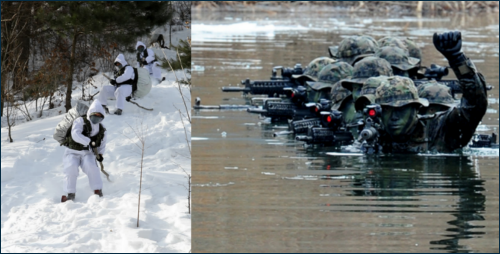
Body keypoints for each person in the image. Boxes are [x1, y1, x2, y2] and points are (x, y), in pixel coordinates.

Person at [373, 30, 488, 153]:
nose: (394, 118)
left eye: (401, 109)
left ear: (417, 109)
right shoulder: (374, 136)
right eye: (387, 110)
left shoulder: (441, 129)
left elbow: (475, 106)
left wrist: (457, 59)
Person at [61, 99, 107, 202]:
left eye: (99, 118)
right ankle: (70, 193)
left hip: (88, 153)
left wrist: (100, 154)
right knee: (71, 167)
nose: (96, 120)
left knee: (92, 166)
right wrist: (88, 141)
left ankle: (97, 190)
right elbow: (75, 134)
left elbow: (102, 142)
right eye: (94, 116)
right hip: (72, 151)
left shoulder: (101, 128)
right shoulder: (80, 121)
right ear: (90, 114)